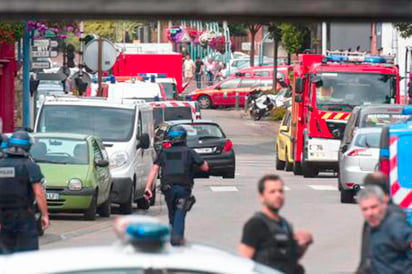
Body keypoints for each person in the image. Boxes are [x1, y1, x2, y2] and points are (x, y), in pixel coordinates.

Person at [144, 125, 209, 246]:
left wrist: (148, 187)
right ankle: (177, 238)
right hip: (183, 188)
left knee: (172, 213)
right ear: (184, 138)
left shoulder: (164, 152)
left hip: (168, 189)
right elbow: (205, 167)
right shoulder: (189, 152)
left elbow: (154, 169)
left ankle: (173, 235)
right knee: (180, 211)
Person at [239, 174, 313, 274]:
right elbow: (243, 263)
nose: (278, 195)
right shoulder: (255, 225)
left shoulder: (285, 224)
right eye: (272, 192)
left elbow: (288, 258)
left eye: (280, 191)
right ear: (261, 197)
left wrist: (303, 244)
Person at [0, 131, 49, 254]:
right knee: (27, 256)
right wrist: (44, 215)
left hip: (2, 218)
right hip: (24, 217)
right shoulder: (30, 166)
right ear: (28, 147)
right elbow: (39, 193)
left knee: (4, 254)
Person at [356, 172, 406, 274]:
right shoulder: (374, 220)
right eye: (365, 209)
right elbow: (367, 260)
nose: (369, 213)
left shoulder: (395, 223)